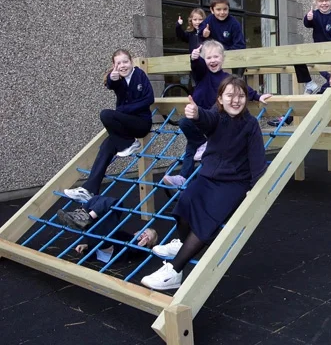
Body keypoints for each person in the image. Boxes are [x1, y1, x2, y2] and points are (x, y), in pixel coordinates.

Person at [141, 76, 268, 290]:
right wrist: (196, 113)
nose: (235, 100)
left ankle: (174, 270)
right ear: (220, 98)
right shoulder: (217, 117)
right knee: (184, 206)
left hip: (234, 183)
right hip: (208, 176)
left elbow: (257, 160)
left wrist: (255, 189)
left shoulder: (250, 125)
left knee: (207, 220)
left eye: (241, 96)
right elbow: (206, 118)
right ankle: (182, 243)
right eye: (230, 95)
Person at [163, 40, 271, 187]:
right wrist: (194, 59)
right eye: (208, 58)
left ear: (222, 58)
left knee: (193, 144)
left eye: (216, 57)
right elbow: (196, 67)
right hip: (200, 117)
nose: (213, 60)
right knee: (188, 134)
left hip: (216, 118)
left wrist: (258, 96)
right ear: (204, 60)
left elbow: (242, 89)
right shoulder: (201, 74)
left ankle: (201, 152)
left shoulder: (226, 78)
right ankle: (184, 176)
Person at [63, 50, 154, 203]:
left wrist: (125, 110)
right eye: (118, 63)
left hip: (141, 123)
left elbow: (149, 99)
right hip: (124, 125)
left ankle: (130, 143)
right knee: (106, 147)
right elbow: (111, 84)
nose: (123, 65)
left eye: (125, 61)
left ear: (131, 62)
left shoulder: (139, 75)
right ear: (114, 66)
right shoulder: (116, 78)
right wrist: (113, 79)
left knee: (106, 114)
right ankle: (89, 189)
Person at [269, 0, 331, 127]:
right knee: (298, 56)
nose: (324, 4)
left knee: (325, 89)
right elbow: (307, 23)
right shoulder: (314, 15)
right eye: (321, 1)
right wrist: (308, 18)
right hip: (317, 53)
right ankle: (309, 83)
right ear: (316, 3)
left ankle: (288, 118)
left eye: (326, 0)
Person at [57, 195, 158, 263]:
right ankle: (81, 216)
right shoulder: (125, 235)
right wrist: (87, 246)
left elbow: (134, 253)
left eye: (148, 238)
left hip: (105, 243)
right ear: (137, 231)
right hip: (97, 239)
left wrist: (139, 245)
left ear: (148, 245)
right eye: (144, 232)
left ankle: (84, 217)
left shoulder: (140, 250)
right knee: (97, 198)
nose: (144, 236)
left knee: (117, 204)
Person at [198, 0, 246, 77]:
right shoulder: (209, 20)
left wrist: (224, 53)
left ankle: (236, 84)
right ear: (212, 10)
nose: (222, 12)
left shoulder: (234, 23)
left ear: (228, 9)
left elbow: (240, 44)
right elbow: (200, 32)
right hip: (213, 57)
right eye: (218, 9)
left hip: (230, 56)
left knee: (235, 79)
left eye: (225, 9)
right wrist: (204, 34)